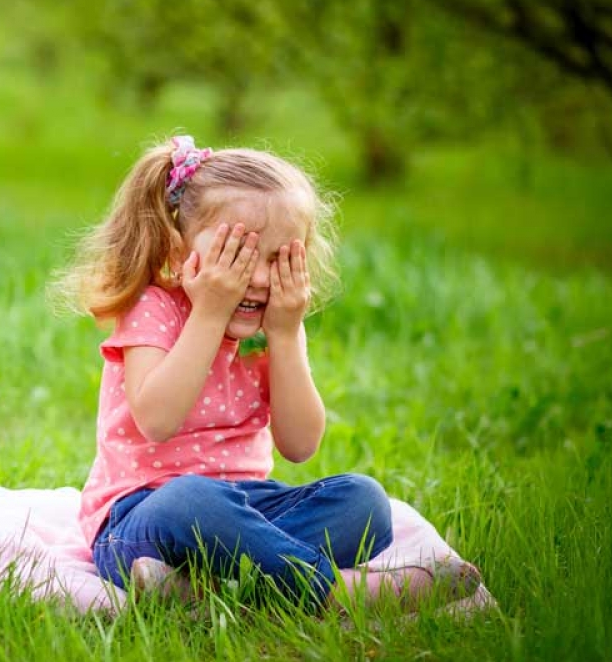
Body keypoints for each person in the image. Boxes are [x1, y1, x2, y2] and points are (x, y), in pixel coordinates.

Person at [54, 135, 480, 610]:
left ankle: (202, 589)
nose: (258, 277)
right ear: (179, 253)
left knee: (365, 503)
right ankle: (337, 593)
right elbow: (157, 420)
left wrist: (285, 335)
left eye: (279, 258)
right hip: (140, 523)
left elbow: (300, 447)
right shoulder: (154, 309)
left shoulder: (272, 328)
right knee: (193, 501)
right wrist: (210, 315)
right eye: (237, 255)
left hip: (252, 508)